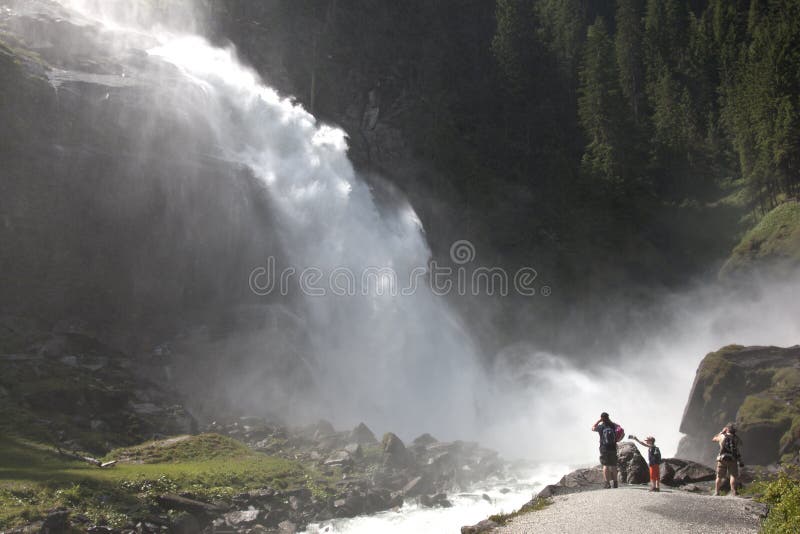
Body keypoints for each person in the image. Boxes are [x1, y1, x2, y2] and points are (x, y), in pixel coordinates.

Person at [712, 423, 743, 496]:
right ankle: (733, 492)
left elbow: (713, 439)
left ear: (727, 429)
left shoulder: (722, 436)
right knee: (733, 476)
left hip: (722, 459)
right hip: (732, 459)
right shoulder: (736, 438)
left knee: (719, 477)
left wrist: (721, 432)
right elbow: (740, 444)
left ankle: (716, 492)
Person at [592, 412, 620, 488]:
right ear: (608, 417)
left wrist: (599, 421)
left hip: (604, 448)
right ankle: (615, 483)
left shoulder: (601, 426)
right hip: (613, 448)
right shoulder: (613, 426)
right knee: (614, 465)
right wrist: (610, 421)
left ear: (602, 418)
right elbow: (620, 427)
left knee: (605, 465)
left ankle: (607, 483)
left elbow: (593, 428)